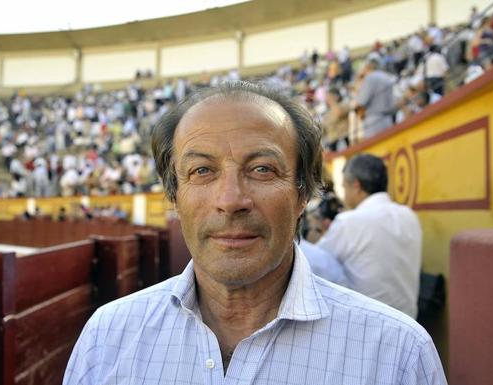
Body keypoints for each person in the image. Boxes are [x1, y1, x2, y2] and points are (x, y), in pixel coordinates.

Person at [63, 82, 446, 384]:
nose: (231, 200)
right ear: (174, 197)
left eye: (262, 169)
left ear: (303, 194)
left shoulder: (398, 353)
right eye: (202, 171)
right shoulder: (106, 337)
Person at [317, 154, 422, 318]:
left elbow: (317, 263)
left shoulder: (348, 222)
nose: (344, 194)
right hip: (408, 322)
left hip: (366, 326)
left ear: (357, 186)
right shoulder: (409, 216)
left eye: (345, 187)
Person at [355, 59, 396, 138]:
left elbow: (361, 101)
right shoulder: (386, 75)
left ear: (368, 67)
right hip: (387, 119)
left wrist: (358, 81)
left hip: (373, 120)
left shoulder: (370, 77)